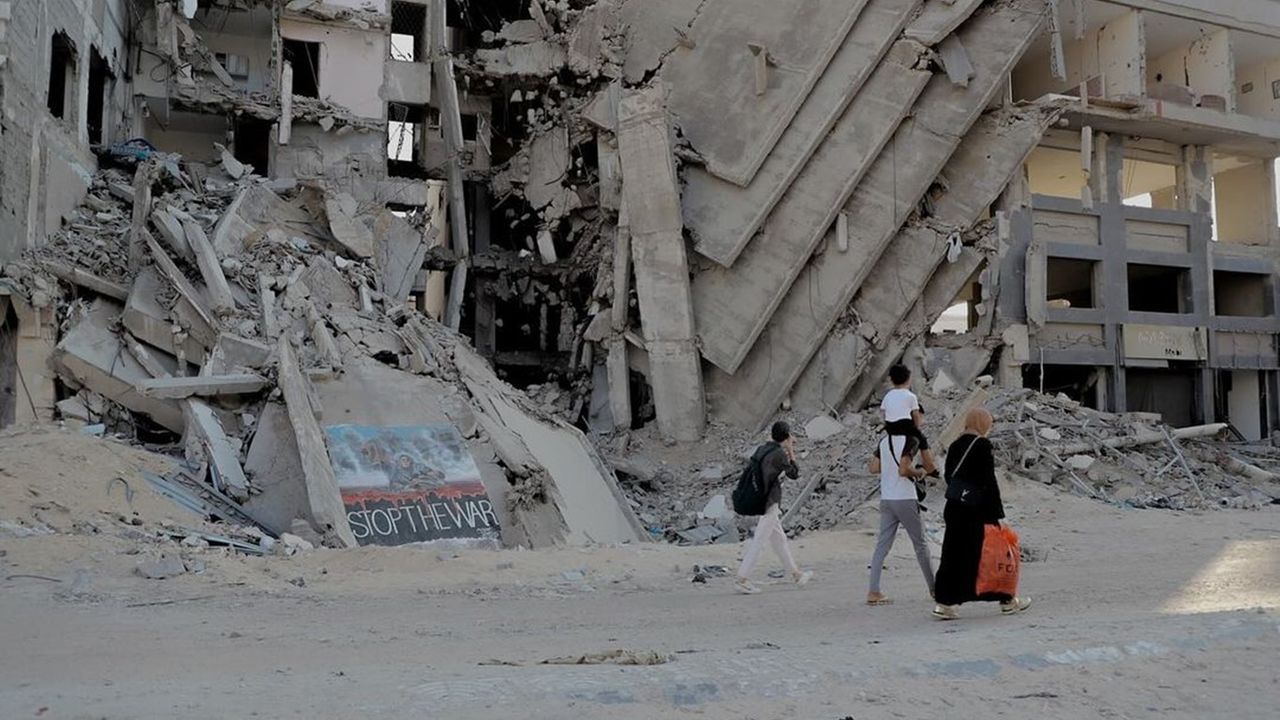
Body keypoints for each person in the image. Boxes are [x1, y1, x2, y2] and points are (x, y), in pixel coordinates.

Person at [932, 408, 1032, 620]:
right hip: (978, 511)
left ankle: (944, 603)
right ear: (983, 423)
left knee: (953, 555)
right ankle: (1007, 600)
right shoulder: (982, 445)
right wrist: (999, 514)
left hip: (954, 507)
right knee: (991, 556)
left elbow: (949, 476)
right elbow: (989, 482)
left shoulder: (955, 445)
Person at [735, 421, 814, 594]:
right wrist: (791, 451)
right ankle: (742, 578)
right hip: (769, 501)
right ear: (786, 437)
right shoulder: (778, 454)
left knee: (779, 540)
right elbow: (794, 474)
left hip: (762, 499)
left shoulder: (762, 449)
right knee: (760, 540)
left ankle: (796, 574)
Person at [866, 434, 935, 605]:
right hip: (905, 498)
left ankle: (873, 591)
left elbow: (873, 467)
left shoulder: (884, 440)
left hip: (887, 499)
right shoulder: (911, 440)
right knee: (920, 545)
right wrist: (918, 472)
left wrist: (890, 466)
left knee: (882, 546)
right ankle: (934, 589)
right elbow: (904, 470)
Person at [881, 365, 939, 477]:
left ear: (892, 380)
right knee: (922, 440)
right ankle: (930, 467)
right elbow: (915, 414)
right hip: (905, 426)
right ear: (908, 379)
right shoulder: (910, 396)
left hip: (890, 427)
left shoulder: (887, 396)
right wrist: (917, 427)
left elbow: (883, 412)